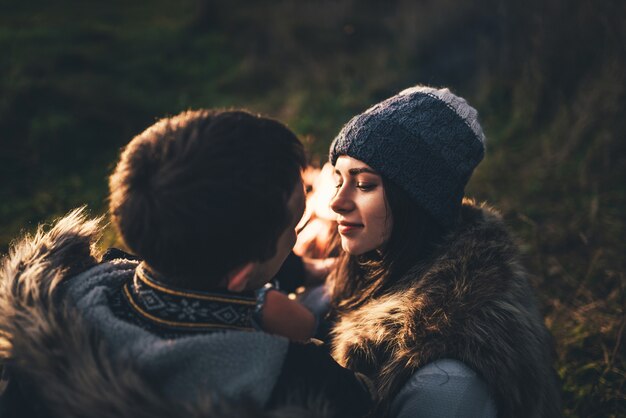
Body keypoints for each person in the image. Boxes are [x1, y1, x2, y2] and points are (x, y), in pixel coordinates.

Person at [0, 109, 374, 418]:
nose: (297, 235)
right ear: (241, 275)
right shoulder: (307, 386)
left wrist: (276, 287)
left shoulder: (51, 311)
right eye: (294, 226)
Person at [326, 86, 562, 417]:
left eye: (363, 184)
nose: (337, 201)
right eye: (337, 180)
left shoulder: (446, 386)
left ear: (418, 201)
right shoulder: (385, 268)